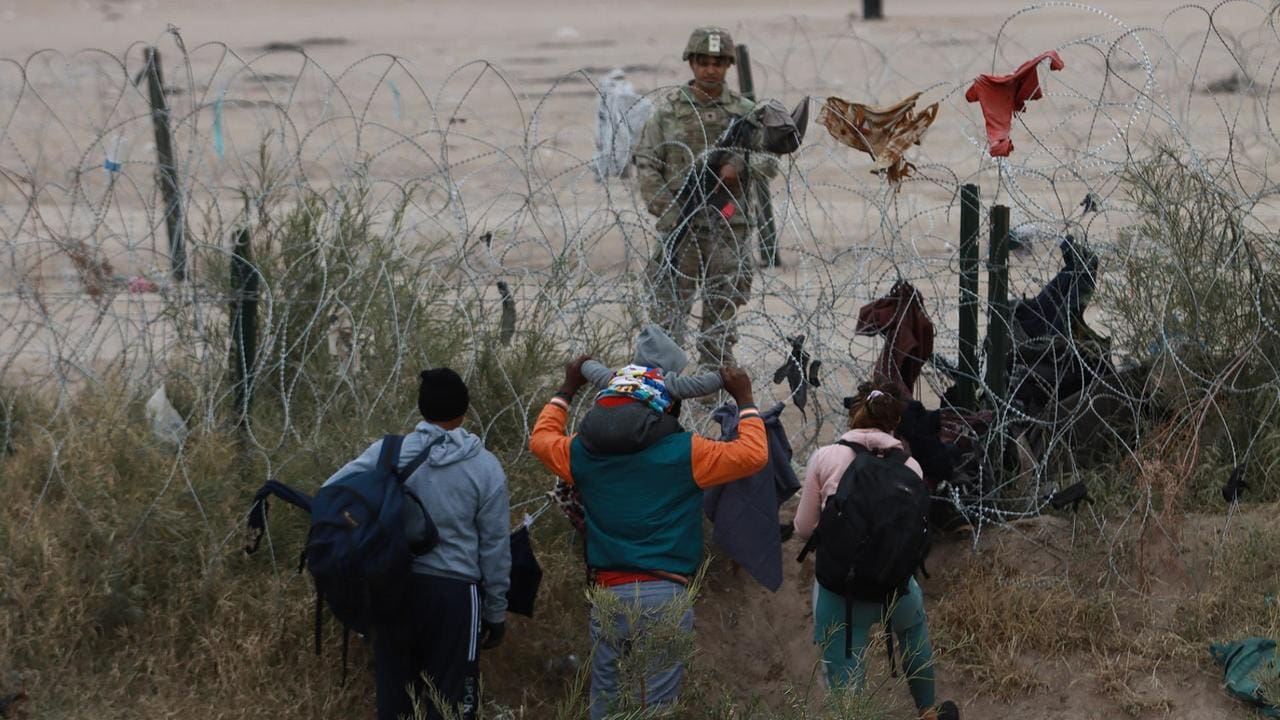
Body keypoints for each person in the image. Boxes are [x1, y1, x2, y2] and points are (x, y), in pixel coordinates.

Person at [529, 356, 767, 719]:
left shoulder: (581, 453)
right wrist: (745, 400)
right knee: (655, 706)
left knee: (605, 699)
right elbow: (753, 454)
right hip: (665, 596)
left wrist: (567, 388)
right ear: (663, 407)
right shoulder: (687, 452)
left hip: (608, 593)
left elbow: (541, 439)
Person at [324, 368, 511, 720]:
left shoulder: (388, 453)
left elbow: (333, 490)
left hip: (394, 588)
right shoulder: (485, 467)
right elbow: (495, 548)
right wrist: (496, 611)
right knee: (453, 703)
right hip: (456, 598)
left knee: (396, 701)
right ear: (464, 409)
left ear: (421, 409)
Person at [791, 382, 959, 720]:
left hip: (841, 590)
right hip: (893, 584)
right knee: (913, 632)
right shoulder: (910, 467)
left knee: (843, 661)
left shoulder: (826, 457)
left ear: (855, 414)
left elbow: (804, 528)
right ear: (894, 423)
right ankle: (927, 709)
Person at [632, 26, 779, 368]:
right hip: (681, 227)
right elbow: (648, 164)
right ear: (692, 63)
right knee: (668, 316)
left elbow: (770, 160)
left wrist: (740, 166)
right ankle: (664, 389)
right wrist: (670, 214)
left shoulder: (745, 112)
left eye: (718, 62)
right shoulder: (667, 112)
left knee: (721, 316)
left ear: (728, 65)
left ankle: (713, 390)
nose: (710, 69)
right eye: (703, 62)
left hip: (729, 227)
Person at [577, 323, 723, 454]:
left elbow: (594, 371)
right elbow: (699, 385)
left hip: (592, 426)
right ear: (669, 364)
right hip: (634, 428)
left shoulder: (619, 375)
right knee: (671, 425)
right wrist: (723, 377)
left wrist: (585, 363)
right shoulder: (664, 381)